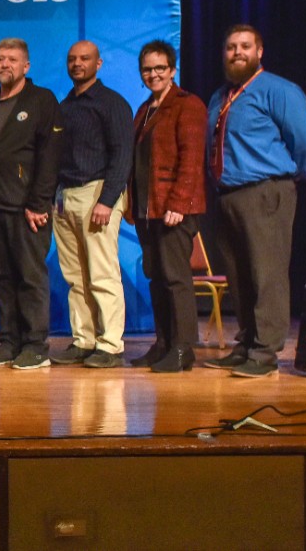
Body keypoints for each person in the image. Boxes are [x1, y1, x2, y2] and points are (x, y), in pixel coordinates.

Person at [204, 24, 306, 378]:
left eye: (245, 46)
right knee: (238, 276)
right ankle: (248, 341)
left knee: (265, 272)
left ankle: (266, 351)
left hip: (265, 191)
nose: (237, 52)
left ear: (259, 52)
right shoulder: (220, 96)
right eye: (230, 47)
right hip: (229, 195)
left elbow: (303, 138)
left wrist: (297, 174)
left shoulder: (278, 90)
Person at [0, 39, 64, 371]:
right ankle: (9, 341)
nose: (4, 64)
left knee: (30, 276)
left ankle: (36, 346)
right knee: (1, 277)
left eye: (12, 59)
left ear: (26, 66)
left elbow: (50, 155)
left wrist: (39, 202)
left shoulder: (42, 100)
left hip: (28, 207)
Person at [51, 40, 134, 368]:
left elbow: (123, 154)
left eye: (84, 59)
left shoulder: (112, 103)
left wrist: (108, 200)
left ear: (98, 64)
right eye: (72, 59)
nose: (77, 64)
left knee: (101, 273)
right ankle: (84, 339)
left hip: (97, 192)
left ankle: (111, 344)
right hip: (65, 196)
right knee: (75, 275)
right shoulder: (66, 104)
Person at [127, 40, 207, 373]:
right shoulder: (145, 110)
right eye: (147, 69)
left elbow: (191, 160)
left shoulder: (188, 105)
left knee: (176, 278)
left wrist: (179, 203)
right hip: (149, 209)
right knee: (156, 278)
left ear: (172, 70)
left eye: (160, 68)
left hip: (174, 208)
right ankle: (163, 343)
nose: (153, 74)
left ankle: (183, 348)